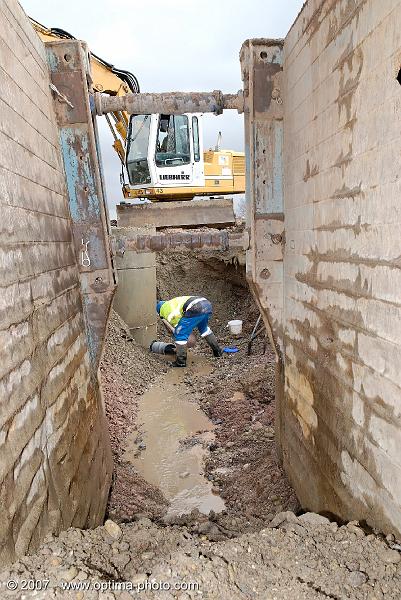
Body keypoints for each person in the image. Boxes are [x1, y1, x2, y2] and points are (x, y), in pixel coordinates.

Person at [156, 296, 223, 367]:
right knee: (204, 329)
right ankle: (217, 351)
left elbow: (178, 328)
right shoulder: (170, 303)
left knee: (180, 334)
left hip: (195, 307)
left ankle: (180, 362)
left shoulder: (164, 311)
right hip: (206, 304)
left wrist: (178, 340)